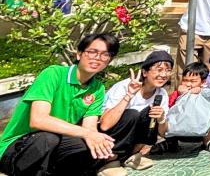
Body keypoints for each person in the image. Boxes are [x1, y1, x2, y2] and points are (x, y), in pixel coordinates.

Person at [0, 33, 131, 176]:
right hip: (15, 150)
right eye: (92, 52)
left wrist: (100, 144)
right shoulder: (53, 74)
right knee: (48, 138)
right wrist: (87, 133)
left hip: (53, 145)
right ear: (79, 54)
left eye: (105, 55)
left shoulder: (97, 88)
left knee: (84, 147)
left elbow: (90, 128)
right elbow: (38, 120)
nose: (97, 58)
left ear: (109, 60)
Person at [99, 51, 172, 170]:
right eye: (159, 70)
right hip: (108, 137)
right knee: (132, 114)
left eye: (168, 70)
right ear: (144, 72)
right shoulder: (124, 87)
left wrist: (161, 118)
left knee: (151, 113)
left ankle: (130, 157)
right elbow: (105, 125)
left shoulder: (162, 94)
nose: (163, 74)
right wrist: (129, 95)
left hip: (131, 141)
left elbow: (163, 133)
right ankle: (110, 160)